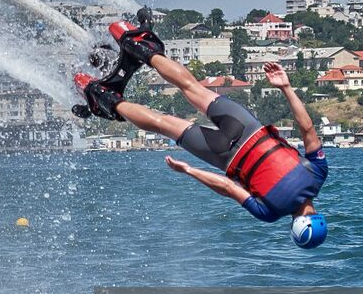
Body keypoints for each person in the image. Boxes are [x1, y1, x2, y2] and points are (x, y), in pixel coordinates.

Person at [77, 24, 329, 247]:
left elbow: (306, 127)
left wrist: (285, 87)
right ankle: (104, 98)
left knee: (192, 87)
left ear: (318, 216)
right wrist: (189, 170)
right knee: (163, 123)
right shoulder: (270, 212)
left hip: (246, 127)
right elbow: (228, 187)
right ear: (293, 227)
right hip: (223, 154)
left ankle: (141, 46)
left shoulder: (317, 174)